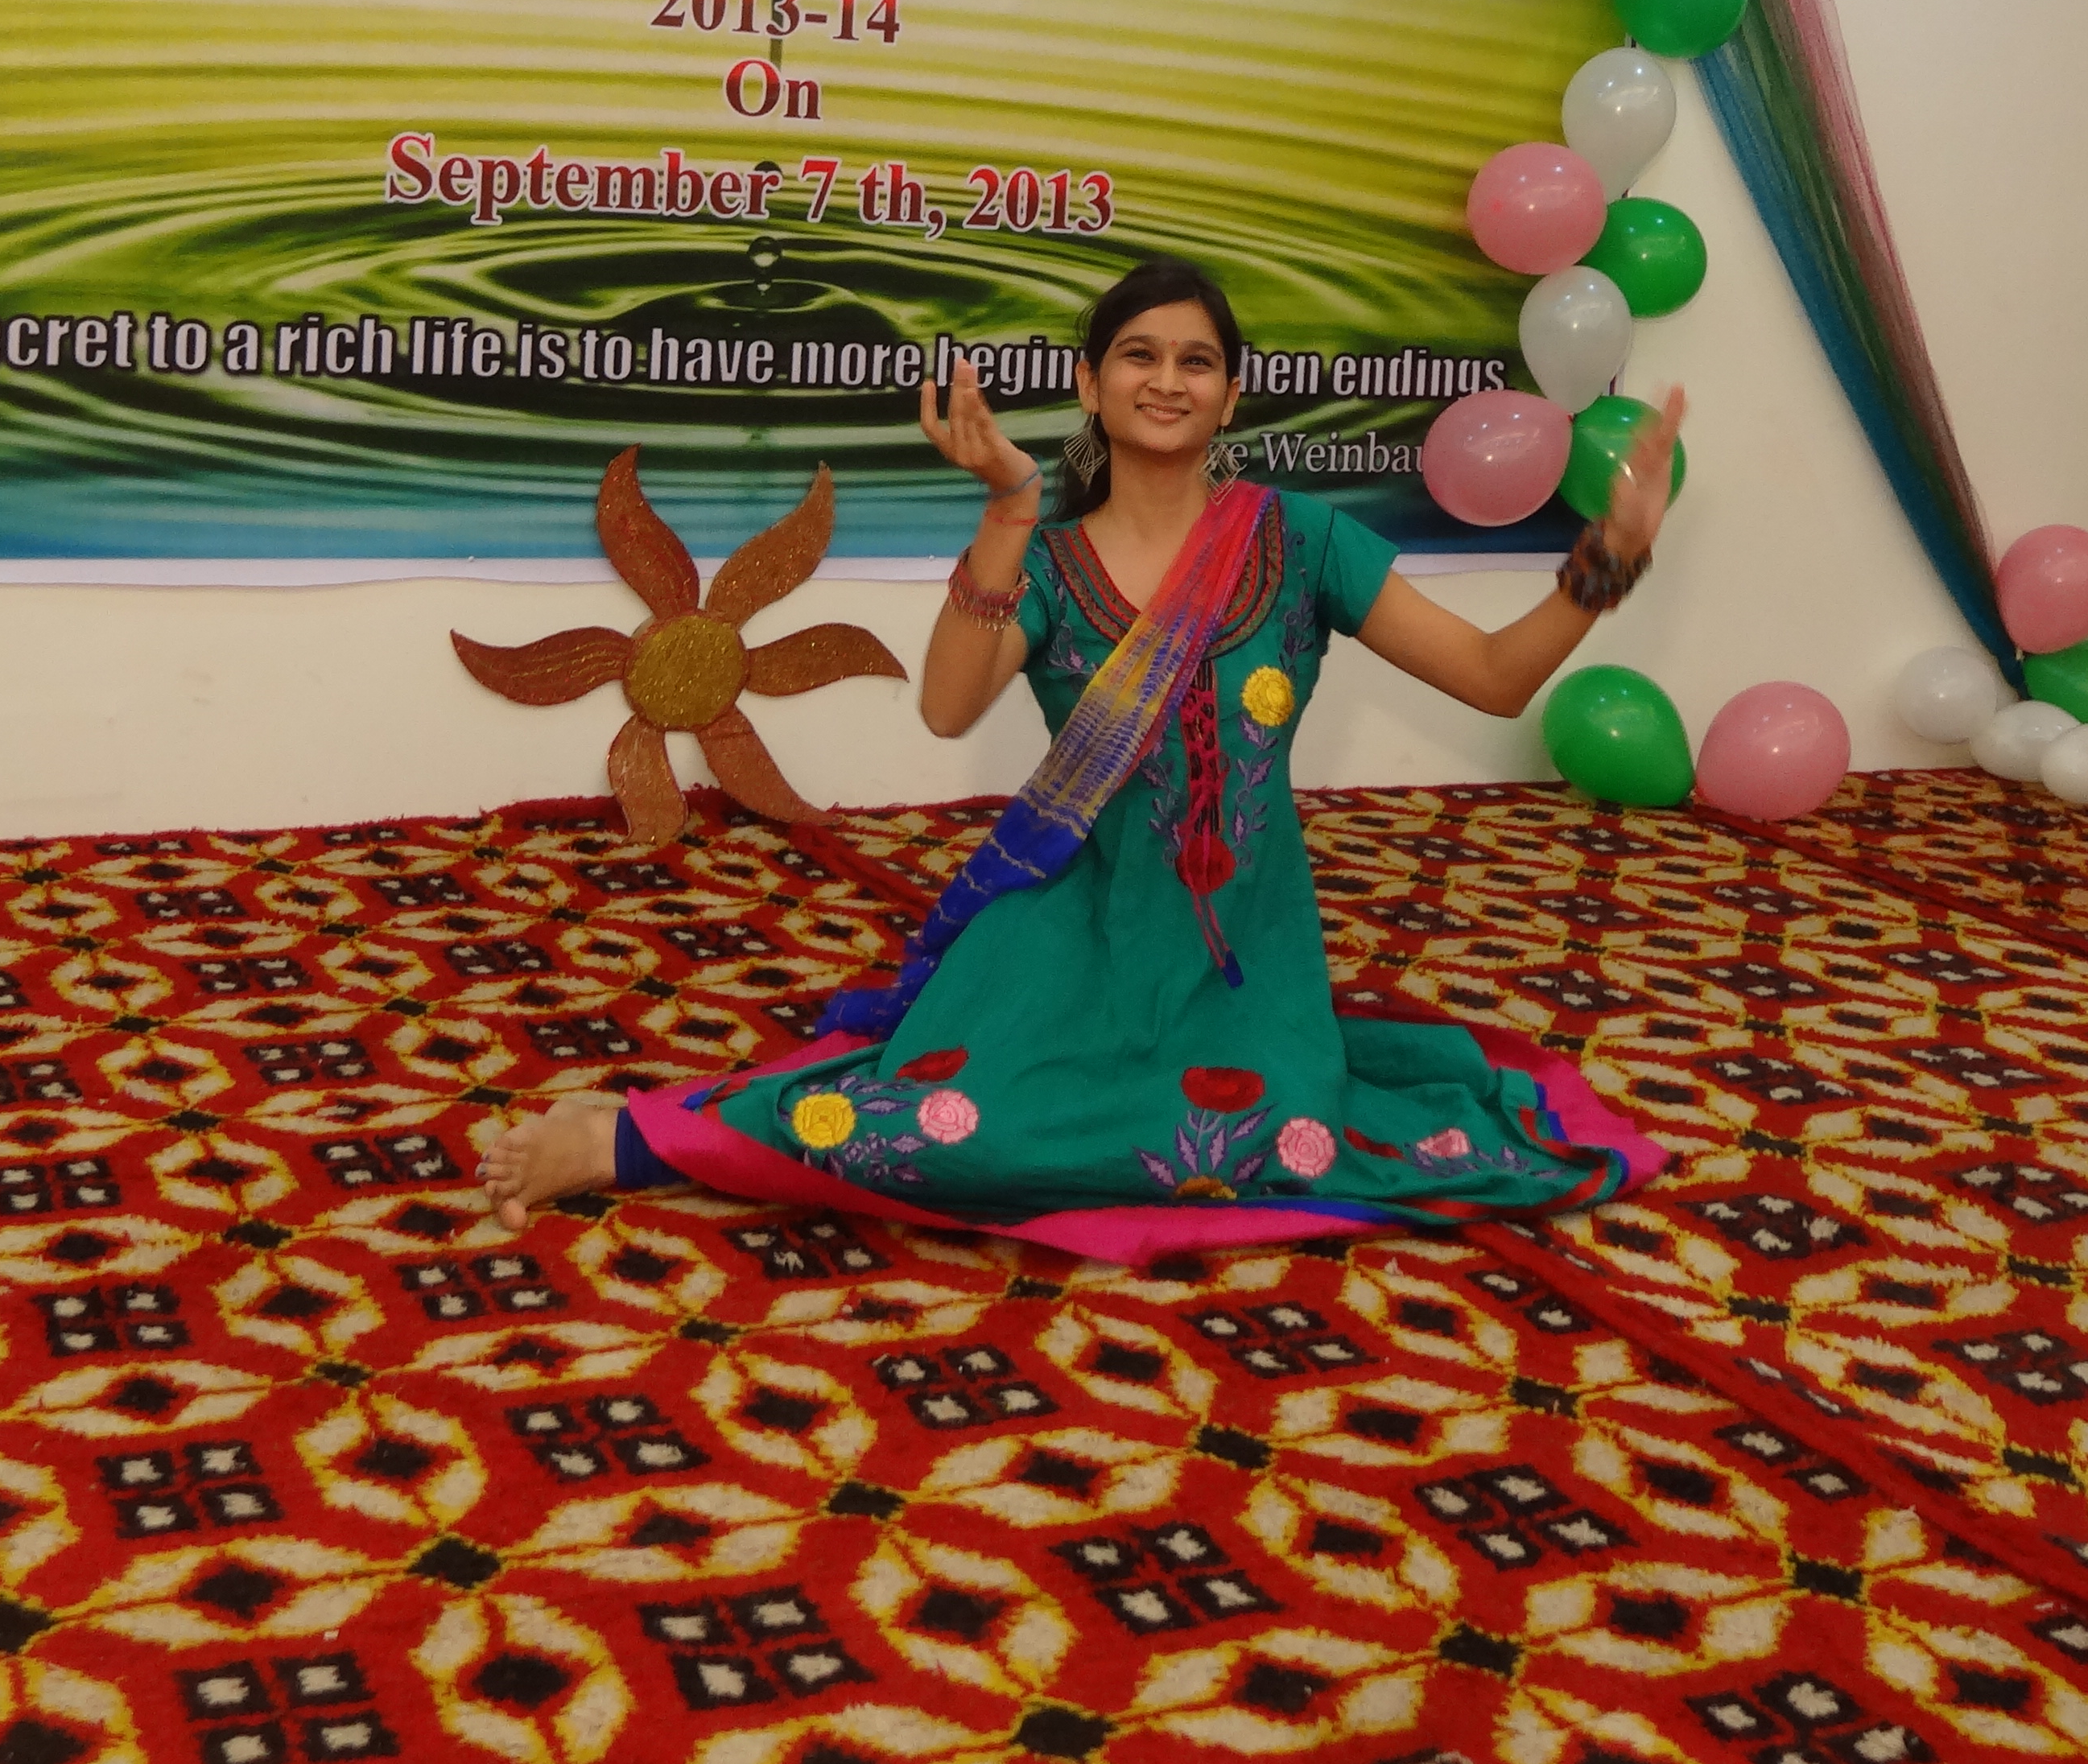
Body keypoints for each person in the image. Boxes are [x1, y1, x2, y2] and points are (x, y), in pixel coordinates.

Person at [478, 258, 1683, 1249]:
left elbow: (1493, 675)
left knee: (1264, 1149)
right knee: (950, 1135)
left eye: (1196, 361)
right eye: (1139, 356)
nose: (1167, 380)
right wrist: (1008, 508)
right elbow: (948, 707)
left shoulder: (1302, 541)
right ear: (1091, 386)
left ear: (1231, 396)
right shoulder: (1047, 559)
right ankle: (631, 1138)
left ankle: (652, 1134)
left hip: (1238, 955)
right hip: (1068, 931)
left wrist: (1610, 560)